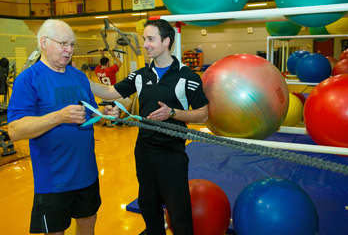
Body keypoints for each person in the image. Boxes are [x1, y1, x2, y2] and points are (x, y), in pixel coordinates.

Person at [89, 19, 209, 235]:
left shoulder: (187, 77)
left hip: (171, 155)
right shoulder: (140, 76)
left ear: (166, 41)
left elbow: (203, 114)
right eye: (145, 39)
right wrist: (78, 78)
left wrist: (173, 113)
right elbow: (109, 93)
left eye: (150, 39)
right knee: (149, 208)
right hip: (144, 152)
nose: (145, 44)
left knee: (179, 213)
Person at [7, 19, 119, 235]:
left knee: (88, 220)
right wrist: (58, 117)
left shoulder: (78, 77)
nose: (69, 50)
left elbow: (92, 114)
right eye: (63, 44)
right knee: (56, 231)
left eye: (72, 44)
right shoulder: (28, 80)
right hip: (53, 179)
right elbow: (15, 130)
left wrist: (105, 115)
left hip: (87, 173)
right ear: (44, 43)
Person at [94, 49, 132, 116]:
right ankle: (120, 119)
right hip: (111, 95)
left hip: (102, 96)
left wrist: (102, 54)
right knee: (129, 103)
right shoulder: (110, 70)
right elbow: (119, 63)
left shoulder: (97, 70)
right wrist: (112, 54)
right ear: (108, 63)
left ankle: (114, 116)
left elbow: (101, 63)